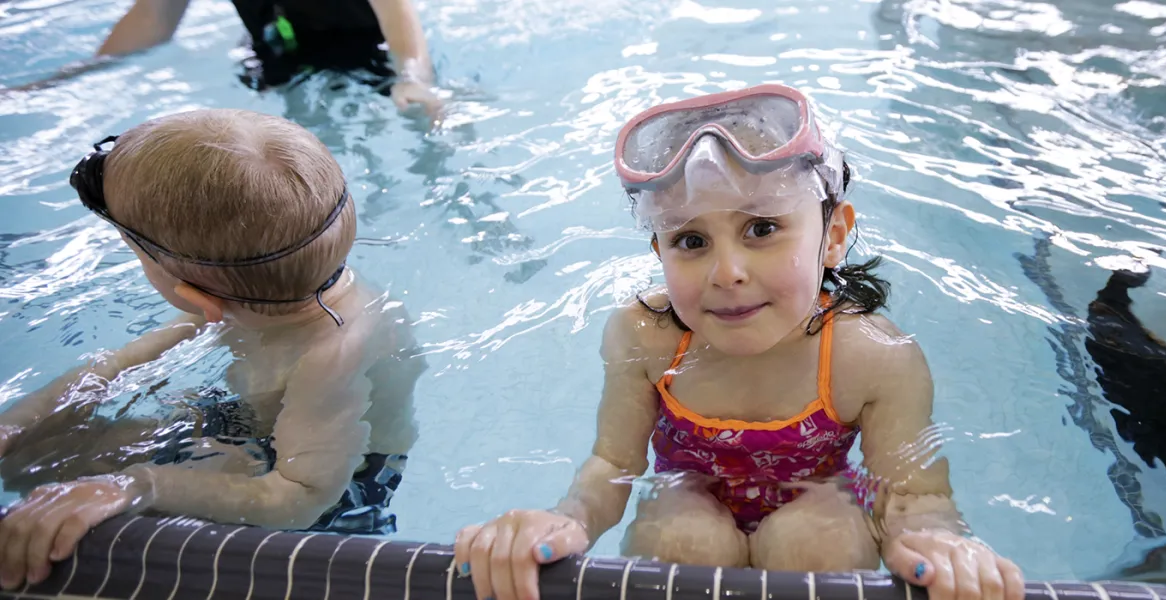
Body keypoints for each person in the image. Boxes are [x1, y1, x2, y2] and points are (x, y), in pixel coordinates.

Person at [453, 85, 1024, 600]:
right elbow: (612, 464)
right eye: (692, 239)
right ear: (659, 253)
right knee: (682, 536)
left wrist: (937, 543)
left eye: (762, 228)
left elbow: (914, 494)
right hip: (686, 496)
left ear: (834, 237)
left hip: (817, 500)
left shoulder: (871, 355)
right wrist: (565, 519)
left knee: (817, 538)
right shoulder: (646, 336)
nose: (726, 272)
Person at [0, 108, 426, 590]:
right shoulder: (269, 289)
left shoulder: (333, 352)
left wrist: (136, 486)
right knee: (32, 458)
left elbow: (301, 496)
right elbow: (116, 366)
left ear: (196, 296)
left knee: (82, 526)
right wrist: (13, 425)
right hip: (246, 428)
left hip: (335, 489)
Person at [13, 0, 443, 117]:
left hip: (371, 54)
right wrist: (64, 80)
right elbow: (153, 18)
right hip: (276, 56)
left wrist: (412, 77)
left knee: (424, 117)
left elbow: (397, 14)